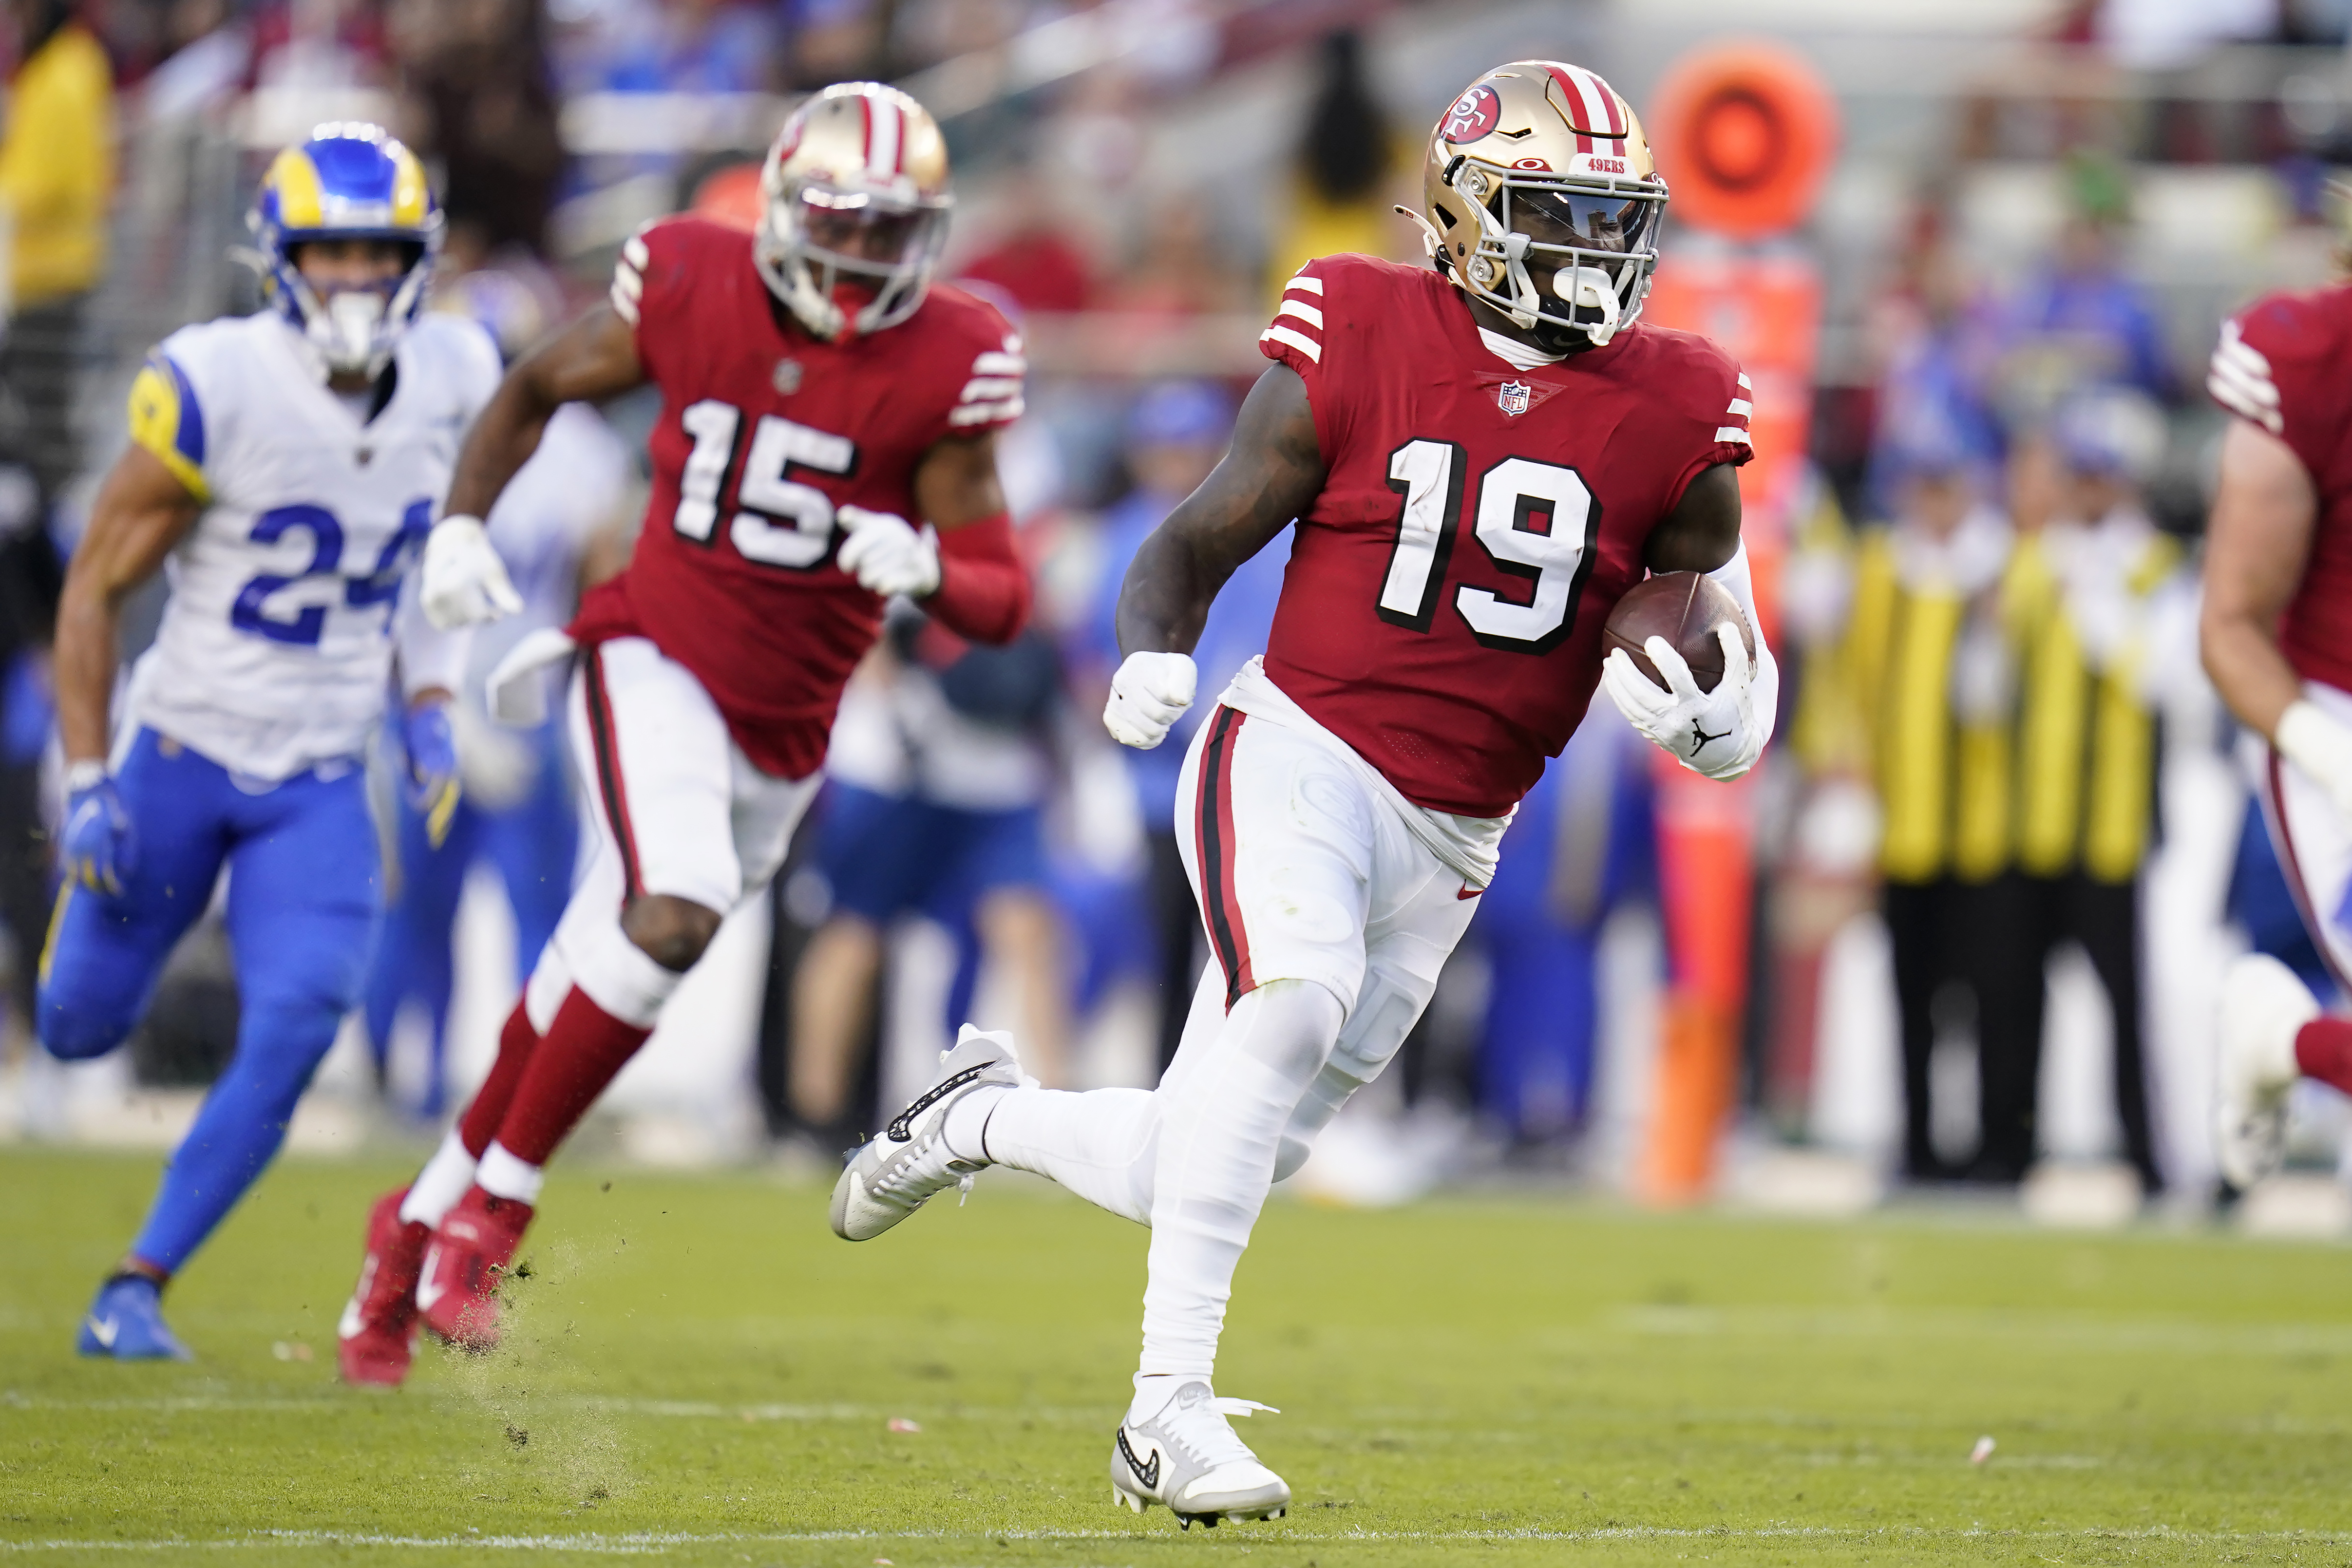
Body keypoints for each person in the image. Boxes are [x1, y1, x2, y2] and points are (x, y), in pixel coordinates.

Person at [829, 61, 1772, 1526]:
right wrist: (1150, 646)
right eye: (1555, 214)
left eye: (1611, 220)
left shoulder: (1679, 400)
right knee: (1290, 1008)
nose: (1591, 251)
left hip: (1459, 832)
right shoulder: (1359, 319)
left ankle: (975, 1118)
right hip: (1297, 748)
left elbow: (1707, 597)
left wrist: (1732, 706)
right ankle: (1163, 1417)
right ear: (1464, 215)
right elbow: (1197, 534)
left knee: (1195, 1159)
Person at [335, 81, 1031, 1386]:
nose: (867, 256)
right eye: (844, 221)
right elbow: (536, 383)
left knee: (592, 968)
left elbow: (1002, 593)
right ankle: (495, 1217)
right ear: (779, 207)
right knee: (676, 906)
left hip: (786, 723)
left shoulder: (950, 358)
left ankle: (410, 1224)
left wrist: (928, 571)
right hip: (651, 647)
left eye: (895, 230)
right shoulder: (690, 279)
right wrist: (461, 526)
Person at [44, 126, 487, 1360]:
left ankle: (135, 1284)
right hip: (179, 751)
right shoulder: (216, 380)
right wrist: (89, 777)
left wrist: (433, 703)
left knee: (298, 1018)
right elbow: (89, 587)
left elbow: (436, 560)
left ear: (419, 260)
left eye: (378, 252)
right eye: (329, 252)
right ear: (279, 260)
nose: (353, 276)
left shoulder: (456, 372)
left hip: (319, 773)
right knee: (79, 1023)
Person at [360, 272, 633, 1121]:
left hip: (454, 697)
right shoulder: (582, 446)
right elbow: (600, 583)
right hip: (506, 699)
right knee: (503, 911)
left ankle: (424, 1085)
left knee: (447, 908)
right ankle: (503, 1099)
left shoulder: (428, 438)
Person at [2200, 214, 2352, 1190]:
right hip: (2334, 708)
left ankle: (2288, 1043)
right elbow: (2230, 624)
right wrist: (2324, 751)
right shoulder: (2313, 361)